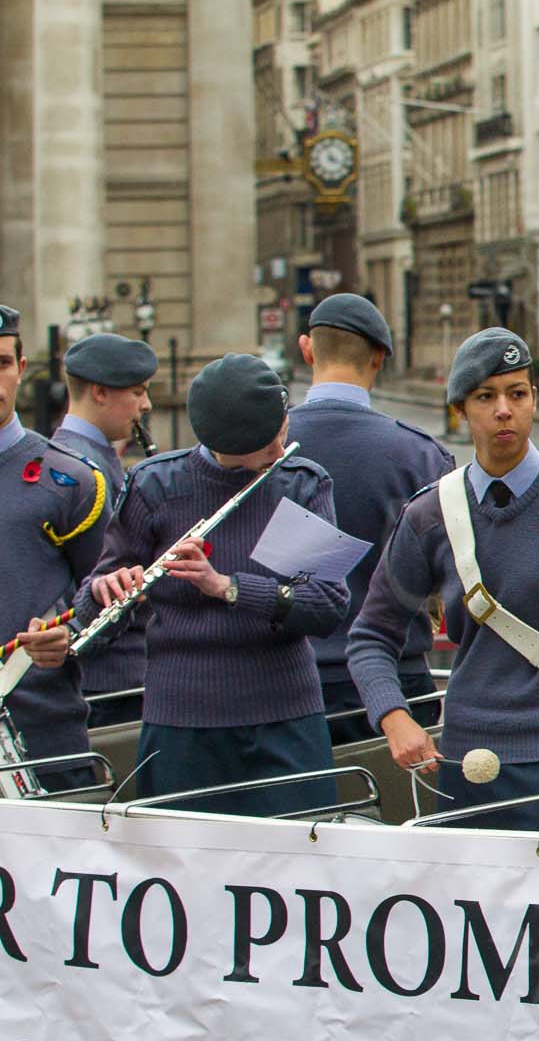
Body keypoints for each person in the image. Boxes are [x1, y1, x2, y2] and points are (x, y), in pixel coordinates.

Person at [348, 327, 539, 831]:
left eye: (517, 394)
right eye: (485, 397)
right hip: (465, 764)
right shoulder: (432, 514)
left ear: (534, 399)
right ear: (460, 410)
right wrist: (394, 717)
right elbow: (370, 635)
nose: (503, 410)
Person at [73, 354, 349, 816]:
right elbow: (91, 620)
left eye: (282, 430)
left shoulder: (299, 484)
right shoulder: (155, 485)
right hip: (182, 722)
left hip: (285, 716)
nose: (279, 450)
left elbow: (326, 607)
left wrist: (228, 587)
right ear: (224, 441)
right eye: (265, 443)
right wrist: (106, 591)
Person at [287, 294, 456, 744]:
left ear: (307, 349)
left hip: (287, 678)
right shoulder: (420, 455)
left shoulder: (267, 449)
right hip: (397, 681)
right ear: (379, 357)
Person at [1, 305, 109, 792]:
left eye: (1, 363)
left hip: (43, 735)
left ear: (21, 370)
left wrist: (73, 634)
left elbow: (114, 595)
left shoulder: (70, 480)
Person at [51, 331, 156, 726]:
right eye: (137, 392)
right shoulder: (85, 471)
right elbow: (104, 578)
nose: (145, 405)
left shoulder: (76, 459)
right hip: (109, 676)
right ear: (99, 392)